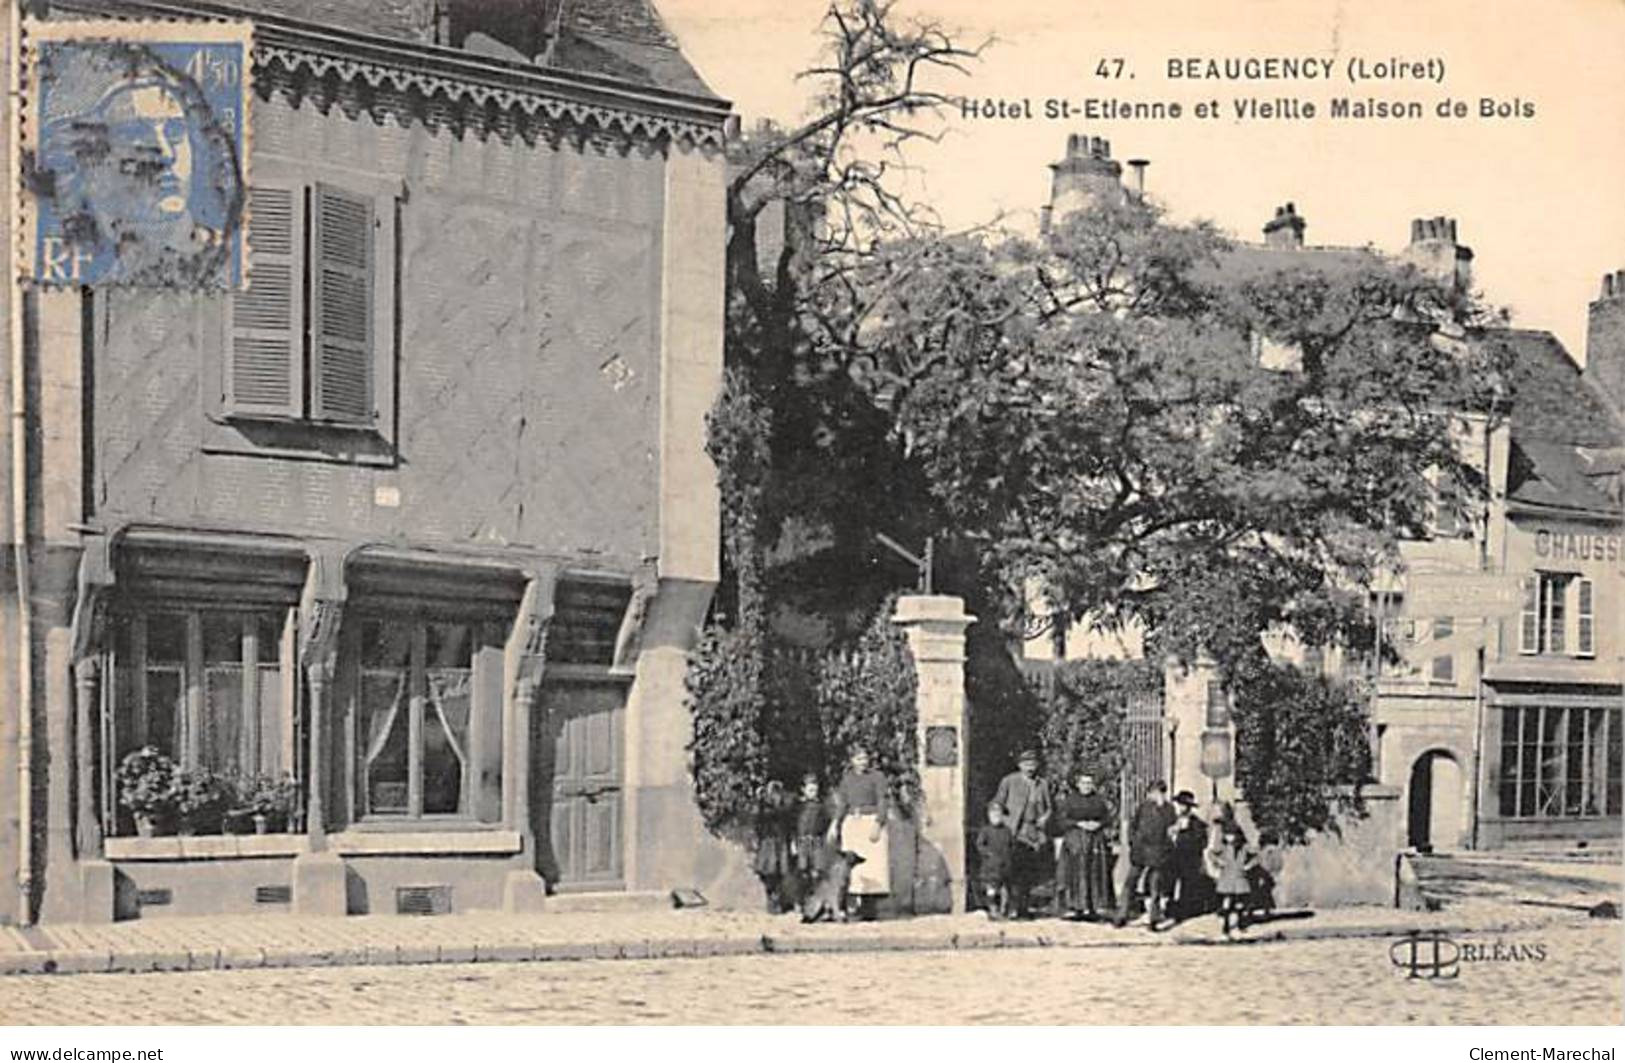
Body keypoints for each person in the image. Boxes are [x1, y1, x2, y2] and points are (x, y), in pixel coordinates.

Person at [829, 747, 891, 920]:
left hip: (870, 820)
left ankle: (870, 908)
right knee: (851, 867)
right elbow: (842, 803)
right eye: (858, 759)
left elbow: (882, 800)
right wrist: (835, 823)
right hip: (852, 823)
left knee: (872, 865)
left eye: (864, 758)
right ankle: (852, 906)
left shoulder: (877, 777)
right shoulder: (847, 779)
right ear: (851, 761)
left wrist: (878, 823)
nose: (862, 762)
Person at [992, 749, 1052, 918]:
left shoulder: (1042, 784)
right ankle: (1009, 907)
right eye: (1026, 764)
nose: (1030, 767)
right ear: (1019, 765)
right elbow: (997, 803)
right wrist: (1001, 822)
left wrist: (1044, 819)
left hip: (1033, 832)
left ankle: (1023, 908)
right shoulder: (1009, 781)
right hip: (1014, 832)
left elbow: (1049, 808)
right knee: (1012, 872)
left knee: (1028, 873)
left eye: (1033, 764)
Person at [1114, 779, 1176, 930]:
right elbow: (1133, 825)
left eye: (1158, 792)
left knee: (1155, 886)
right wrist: (1133, 841)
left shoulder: (1168, 809)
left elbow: (1171, 828)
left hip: (1158, 851)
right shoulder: (1143, 807)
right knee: (1130, 882)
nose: (1154, 795)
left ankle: (1153, 919)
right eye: (1153, 792)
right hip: (1140, 851)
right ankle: (1122, 915)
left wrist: (1161, 808)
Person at [1053, 771, 1114, 920]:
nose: (1086, 786)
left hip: (1095, 840)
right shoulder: (1069, 800)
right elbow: (1061, 820)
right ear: (1078, 784)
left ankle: (1093, 907)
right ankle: (1075, 906)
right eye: (1083, 783)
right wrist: (1078, 823)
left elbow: (1108, 818)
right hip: (1075, 840)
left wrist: (1098, 824)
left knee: (1094, 872)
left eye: (1089, 783)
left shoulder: (1098, 801)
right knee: (1076, 872)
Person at [751, 780, 795, 913]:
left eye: (777, 792)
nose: (774, 795)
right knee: (767, 871)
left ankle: (777, 899)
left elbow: (788, 820)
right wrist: (760, 801)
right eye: (772, 792)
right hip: (768, 840)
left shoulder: (785, 807)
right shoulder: (762, 807)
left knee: (780, 871)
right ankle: (771, 897)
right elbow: (757, 822)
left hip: (780, 840)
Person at [789, 773, 832, 910]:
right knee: (802, 871)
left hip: (816, 841)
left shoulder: (821, 807)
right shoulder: (798, 807)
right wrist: (793, 842)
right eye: (810, 790)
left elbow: (826, 824)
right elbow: (792, 826)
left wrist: (824, 838)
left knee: (817, 872)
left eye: (815, 790)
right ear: (803, 790)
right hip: (802, 842)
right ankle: (800, 901)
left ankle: (817, 901)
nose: (813, 793)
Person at [1206, 822, 1257, 939]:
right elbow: (1210, 854)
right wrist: (1219, 862)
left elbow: (1256, 856)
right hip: (1227, 879)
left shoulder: (1244, 848)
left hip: (1240, 879)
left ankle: (1240, 924)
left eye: (1232, 835)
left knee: (1240, 904)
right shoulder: (1223, 847)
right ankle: (1226, 927)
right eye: (1228, 835)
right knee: (1227, 905)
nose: (1230, 838)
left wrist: (1248, 866)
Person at [1167, 790, 1210, 921]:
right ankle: (1171, 909)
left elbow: (1202, 842)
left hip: (1189, 859)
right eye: (1179, 804)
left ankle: (1184, 911)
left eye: (1183, 805)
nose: (1181, 807)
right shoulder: (1173, 820)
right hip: (1173, 857)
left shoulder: (1197, 823)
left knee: (1187, 884)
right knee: (1171, 883)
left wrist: (1186, 834)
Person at [975, 802, 1016, 919]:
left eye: (998, 813)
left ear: (1002, 816)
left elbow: (1012, 845)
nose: (996, 816)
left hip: (1005, 866)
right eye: (993, 813)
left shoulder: (1007, 831)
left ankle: (1004, 911)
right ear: (989, 816)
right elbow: (980, 845)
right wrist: (988, 854)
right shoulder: (986, 830)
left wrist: (1009, 855)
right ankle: (993, 910)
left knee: (1005, 890)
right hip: (991, 866)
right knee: (991, 889)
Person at [1248, 829, 1284, 919]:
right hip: (1266, 873)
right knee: (1264, 892)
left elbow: (1262, 861)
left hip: (1265, 873)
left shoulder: (1269, 850)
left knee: (1262, 892)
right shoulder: (1269, 850)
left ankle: (1260, 910)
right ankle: (1263, 910)